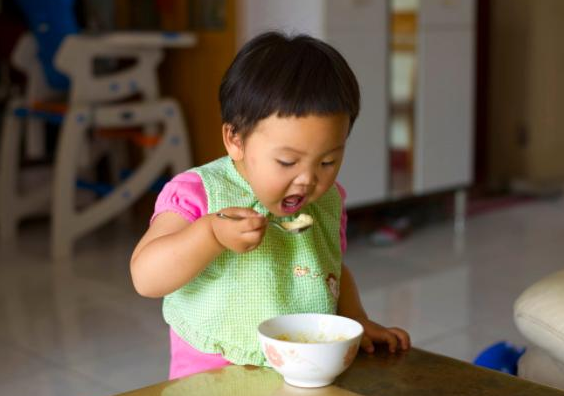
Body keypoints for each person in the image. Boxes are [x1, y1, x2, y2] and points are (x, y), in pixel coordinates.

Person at [130, 31, 411, 380]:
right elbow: (145, 277)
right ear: (235, 139)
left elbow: (330, 269)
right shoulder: (201, 193)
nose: (308, 180)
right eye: (287, 162)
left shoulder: (327, 200)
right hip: (214, 374)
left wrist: (356, 321)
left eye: (327, 162)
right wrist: (210, 234)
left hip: (305, 370)